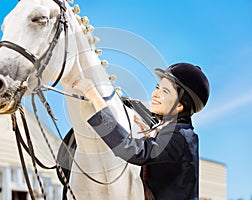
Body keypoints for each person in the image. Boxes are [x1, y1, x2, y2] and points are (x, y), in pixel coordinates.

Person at [72, 62, 210, 200]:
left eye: (165, 92)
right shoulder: (179, 132)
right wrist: (153, 135)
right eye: (158, 88)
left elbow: (132, 150)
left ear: (179, 105)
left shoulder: (179, 136)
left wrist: (95, 98)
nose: (156, 94)